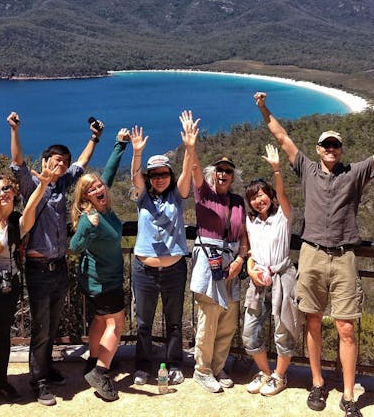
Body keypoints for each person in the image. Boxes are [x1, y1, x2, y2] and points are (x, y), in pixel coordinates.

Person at [255, 91, 374, 417]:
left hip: (344, 257)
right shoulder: (305, 168)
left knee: (346, 327)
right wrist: (263, 108)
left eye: (335, 146)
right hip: (312, 254)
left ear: (341, 150)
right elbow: (281, 136)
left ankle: (348, 396)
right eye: (325, 145)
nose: (330, 150)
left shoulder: (354, 173)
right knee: (313, 322)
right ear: (317, 150)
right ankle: (317, 383)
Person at [8, 110, 103, 407]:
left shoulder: (62, 185)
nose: (61, 164)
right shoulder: (30, 186)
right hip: (37, 269)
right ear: (46, 160)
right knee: (40, 327)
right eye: (56, 160)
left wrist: (95, 138)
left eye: (64, 161)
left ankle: (46, 368)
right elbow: (18, 163)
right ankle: (38, 381)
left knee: (52, 326)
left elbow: (82, 162)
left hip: (59, 268)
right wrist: (14, 130)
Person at [0, 157, 60, 408]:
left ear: (13, 190)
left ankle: (2, 382)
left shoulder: (18, 222)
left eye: (6, 188)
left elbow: (32, 207)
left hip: (7, 289)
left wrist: (42, 184)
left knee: (3, 337)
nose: (2, 194)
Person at [181, 109, 250, 393]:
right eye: (219, 170)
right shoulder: (204, 194)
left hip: (232, 261)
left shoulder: (238, 201)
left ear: (233, 177)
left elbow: (244, 236)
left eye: (228, 172)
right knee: (208, 318)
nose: (223, 174)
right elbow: (194, 169)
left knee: (227, 320)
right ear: (214, 174)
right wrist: (191, 146)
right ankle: (202, 369)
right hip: (209, 259)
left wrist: (242, 259)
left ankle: (218, 367)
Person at [128, 119, 197, 387]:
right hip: (144, 270)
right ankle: (144, 367)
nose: (159, 178)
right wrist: (137, 153)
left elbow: (185, 175)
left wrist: (189, 148)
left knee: (174, 322)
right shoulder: (142, 197)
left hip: (174, 270)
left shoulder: (177, 197)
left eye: (163, 174)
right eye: (154, 174)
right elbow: (135, 176)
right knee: (143, 323)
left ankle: (173, 365)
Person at [69, 127, 130, 401]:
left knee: (101, 320)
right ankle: (101, 372)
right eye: (91, 189)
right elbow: (73, 247)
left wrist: (119, 144)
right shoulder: (89, 217)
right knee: (116, 325)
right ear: (85, 199)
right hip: (103, 280)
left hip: (99, 280)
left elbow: (108, 174)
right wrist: (85, 229)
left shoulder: (103, 204)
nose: (98, 188)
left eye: (99, 186)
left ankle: (93, 360)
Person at [242, 143, 301, 397]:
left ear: (270, 195)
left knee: (283, 329)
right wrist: (250, 268)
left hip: (282, 278)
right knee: (249, 331)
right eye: (253, 197)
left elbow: (282, 194)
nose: (258, 200)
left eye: (262, 194)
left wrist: (277, 170)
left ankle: (279, 375)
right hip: (258, 282)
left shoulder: (283, 216)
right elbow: (250, 251)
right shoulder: (251, 221)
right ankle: (266, 372)